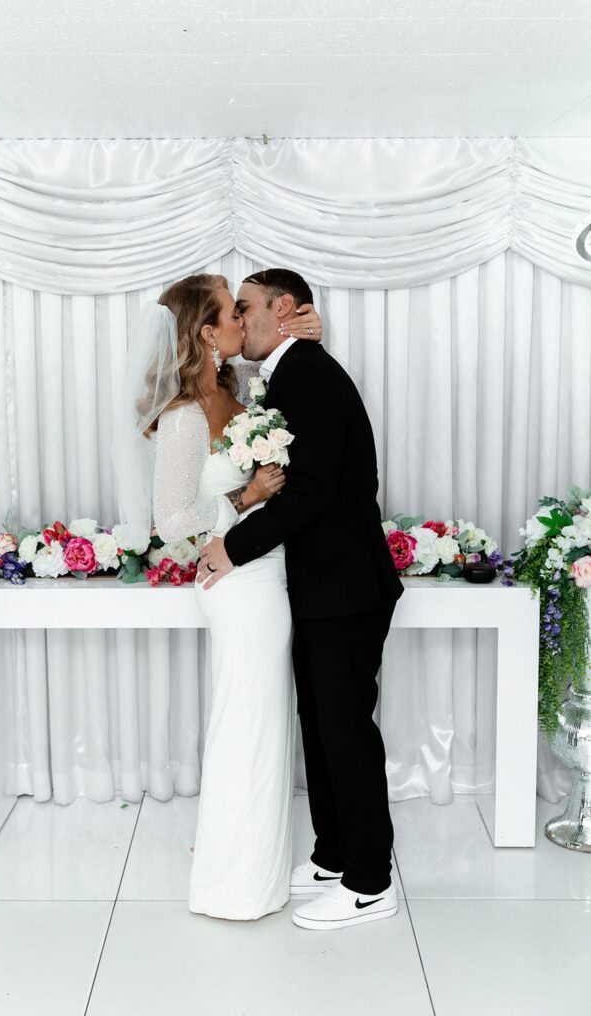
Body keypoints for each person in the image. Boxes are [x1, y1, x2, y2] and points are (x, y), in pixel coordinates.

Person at [198, 268, 404, 931]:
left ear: (283, 309)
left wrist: (234, 546)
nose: (240, 316)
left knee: (343, 731)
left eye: (248, 306)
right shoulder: (290, 372)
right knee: (320, 726)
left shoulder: (305, 372)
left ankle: (370, 881)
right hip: (323, 583)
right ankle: (333, 853)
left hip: (343, 585)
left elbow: (311, 489)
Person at [118, 273, 323, 920]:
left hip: (268, 576)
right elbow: (172, 521)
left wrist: (309, 331)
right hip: (237, 587)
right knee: (245, 726)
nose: (242, 318)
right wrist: (245, 497)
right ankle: (232, 887)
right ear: (207, 333)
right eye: (231, 311)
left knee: (261, 726)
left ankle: (254, 871)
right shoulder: (183, 417)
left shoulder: (240, 398)